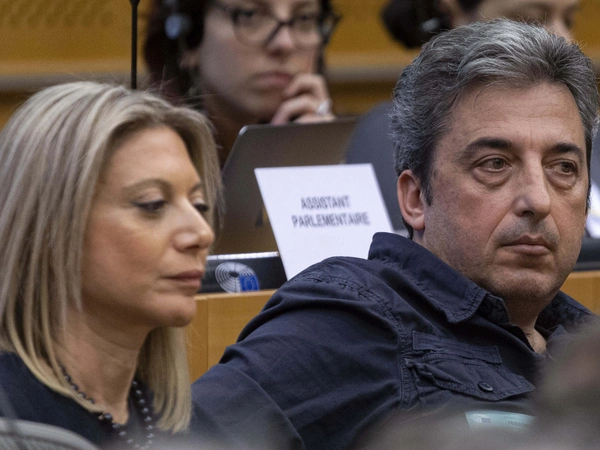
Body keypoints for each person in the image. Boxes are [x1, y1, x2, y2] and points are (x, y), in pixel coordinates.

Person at [191, 19, 598, 450]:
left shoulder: (584, 344)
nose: (539, 199)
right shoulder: (354, 320)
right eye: (495, 164)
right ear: (415, 197)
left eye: (563, 168)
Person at [0, 81, 221, 448]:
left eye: (199, 205)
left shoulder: (195, 432)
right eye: (153, 204)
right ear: (51, 226)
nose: (201, 233)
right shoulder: (12, 425)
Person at [346, 0, 580, 231]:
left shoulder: (582, 133)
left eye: (568, 20)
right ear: (452, 13)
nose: (565, 40)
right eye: (532, 21)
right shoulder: (387, 135)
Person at [144, 0, 340, 167]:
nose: (285, 42)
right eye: (250, 14)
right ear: (188, 38)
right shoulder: (147, 157)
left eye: (305, 18)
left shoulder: (346, 152)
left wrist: (330, 169)